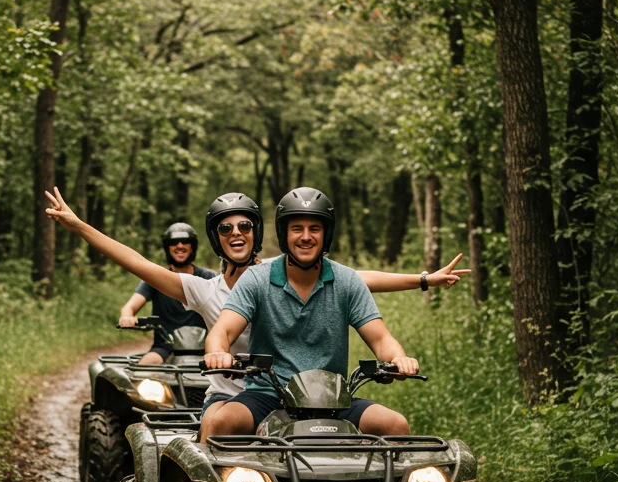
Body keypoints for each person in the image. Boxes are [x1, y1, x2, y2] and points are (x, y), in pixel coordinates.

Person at [43, 187, 469, 436]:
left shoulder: (314, 275)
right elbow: (149, 272)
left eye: (244, 225)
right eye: (226, 228)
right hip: (252, 392)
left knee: (395, 425)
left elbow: (366, 297)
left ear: (259, 231)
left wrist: (422, 284)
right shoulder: (224, 285)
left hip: (325, 394)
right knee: (218, 424)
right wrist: (80, 226)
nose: (236, 233)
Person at [203, 187, 421, 437]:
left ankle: (372, 478)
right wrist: (217, 353)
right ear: (284, 233)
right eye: (297, 228)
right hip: (267, 396)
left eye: (314, 229)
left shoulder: (347, 281)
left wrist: (398, 359)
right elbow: (222, 330)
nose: (306, 237)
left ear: (326, 234)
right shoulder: (256, 279)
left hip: (331, 400)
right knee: (222, 423)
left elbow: (381, 339)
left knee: (396, 425)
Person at [117, 222, 215, 365]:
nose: (180, 246)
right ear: (167, 247)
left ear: (192, 246)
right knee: (143, 369)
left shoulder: (208, 277)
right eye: (174, 242)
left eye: (185, 242)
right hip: (165, 347)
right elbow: (129, 306)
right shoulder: (156, 278)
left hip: (206, 348)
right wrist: (127, 316)